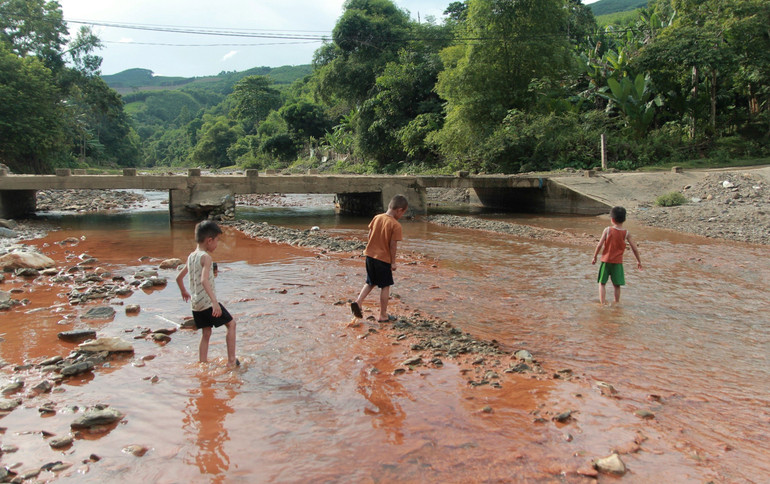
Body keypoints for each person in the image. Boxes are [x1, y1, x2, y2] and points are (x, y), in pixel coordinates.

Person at [176, 220, 238, 367]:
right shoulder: (206, 257)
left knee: (206, 333)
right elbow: (204, 280)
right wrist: (214, 302)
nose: (217, 244)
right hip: (208, 303)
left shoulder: (192, 256)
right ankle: (231, 361)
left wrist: (184, 291)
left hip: (196, 305)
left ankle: (202, 363)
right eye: (217, 241)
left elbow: (178, 277)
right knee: (231, 324)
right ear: (209, 240)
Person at [351, 195, 408, 322]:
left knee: (370, 281)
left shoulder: (377, 217)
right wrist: (393, 262)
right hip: (383, 259)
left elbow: (369, 235)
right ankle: (383, 315)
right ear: (399, 210)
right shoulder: (395, 225)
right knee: (385, 286)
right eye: (403, 212)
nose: (402, 215)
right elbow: (393, 245)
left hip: (370, 256)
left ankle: (358, 302)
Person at [591, 206, 642, 305]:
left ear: (612, 219)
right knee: (617, 285)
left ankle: (602, 304)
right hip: (618, 263)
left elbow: (599, 245)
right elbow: (634, 248)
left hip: (606, 261)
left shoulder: (607, 230)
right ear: (624, 219)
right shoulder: (626, 233)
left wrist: (595, 256)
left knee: (602, 283)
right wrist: (639, 261)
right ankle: (616, 303)